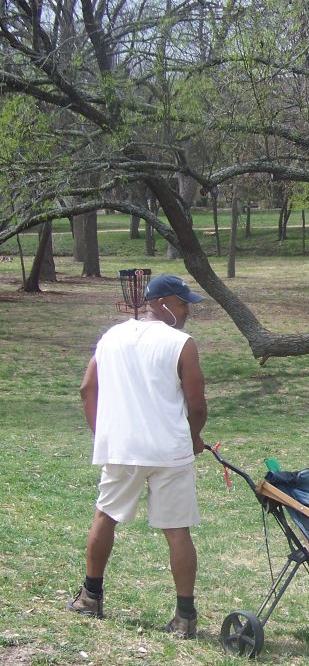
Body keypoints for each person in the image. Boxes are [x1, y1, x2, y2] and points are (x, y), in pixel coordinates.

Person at [68, 273, 208, 638]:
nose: (188, 310)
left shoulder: (111, 337)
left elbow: (87, 389)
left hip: (124, 449)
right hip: (170, 451)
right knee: (177, 530)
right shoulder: (181, 343)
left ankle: (90, 597)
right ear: (162, 304)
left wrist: (105, 434)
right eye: (183, 304)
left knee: (106, 515)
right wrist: (194, 438)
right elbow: (197, 403)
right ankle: (185, 617)